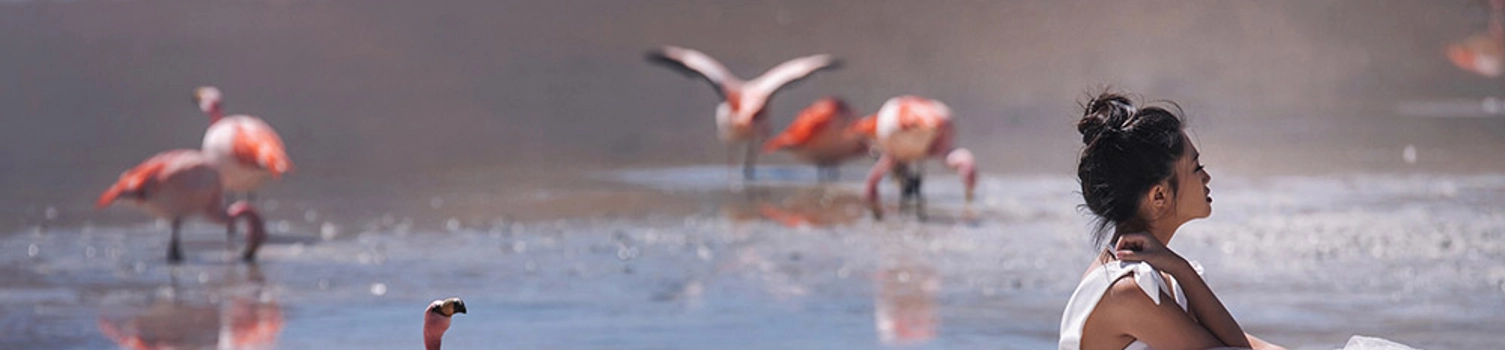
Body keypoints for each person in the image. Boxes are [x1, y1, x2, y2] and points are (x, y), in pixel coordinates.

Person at [1058, 92, 1285, 350]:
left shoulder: (1160, 274)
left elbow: (1242, 345)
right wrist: (1182, 269)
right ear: (1159, 195)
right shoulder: (1124, 290)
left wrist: (1180, 269)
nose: (1207, 178)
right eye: (1197, 168)